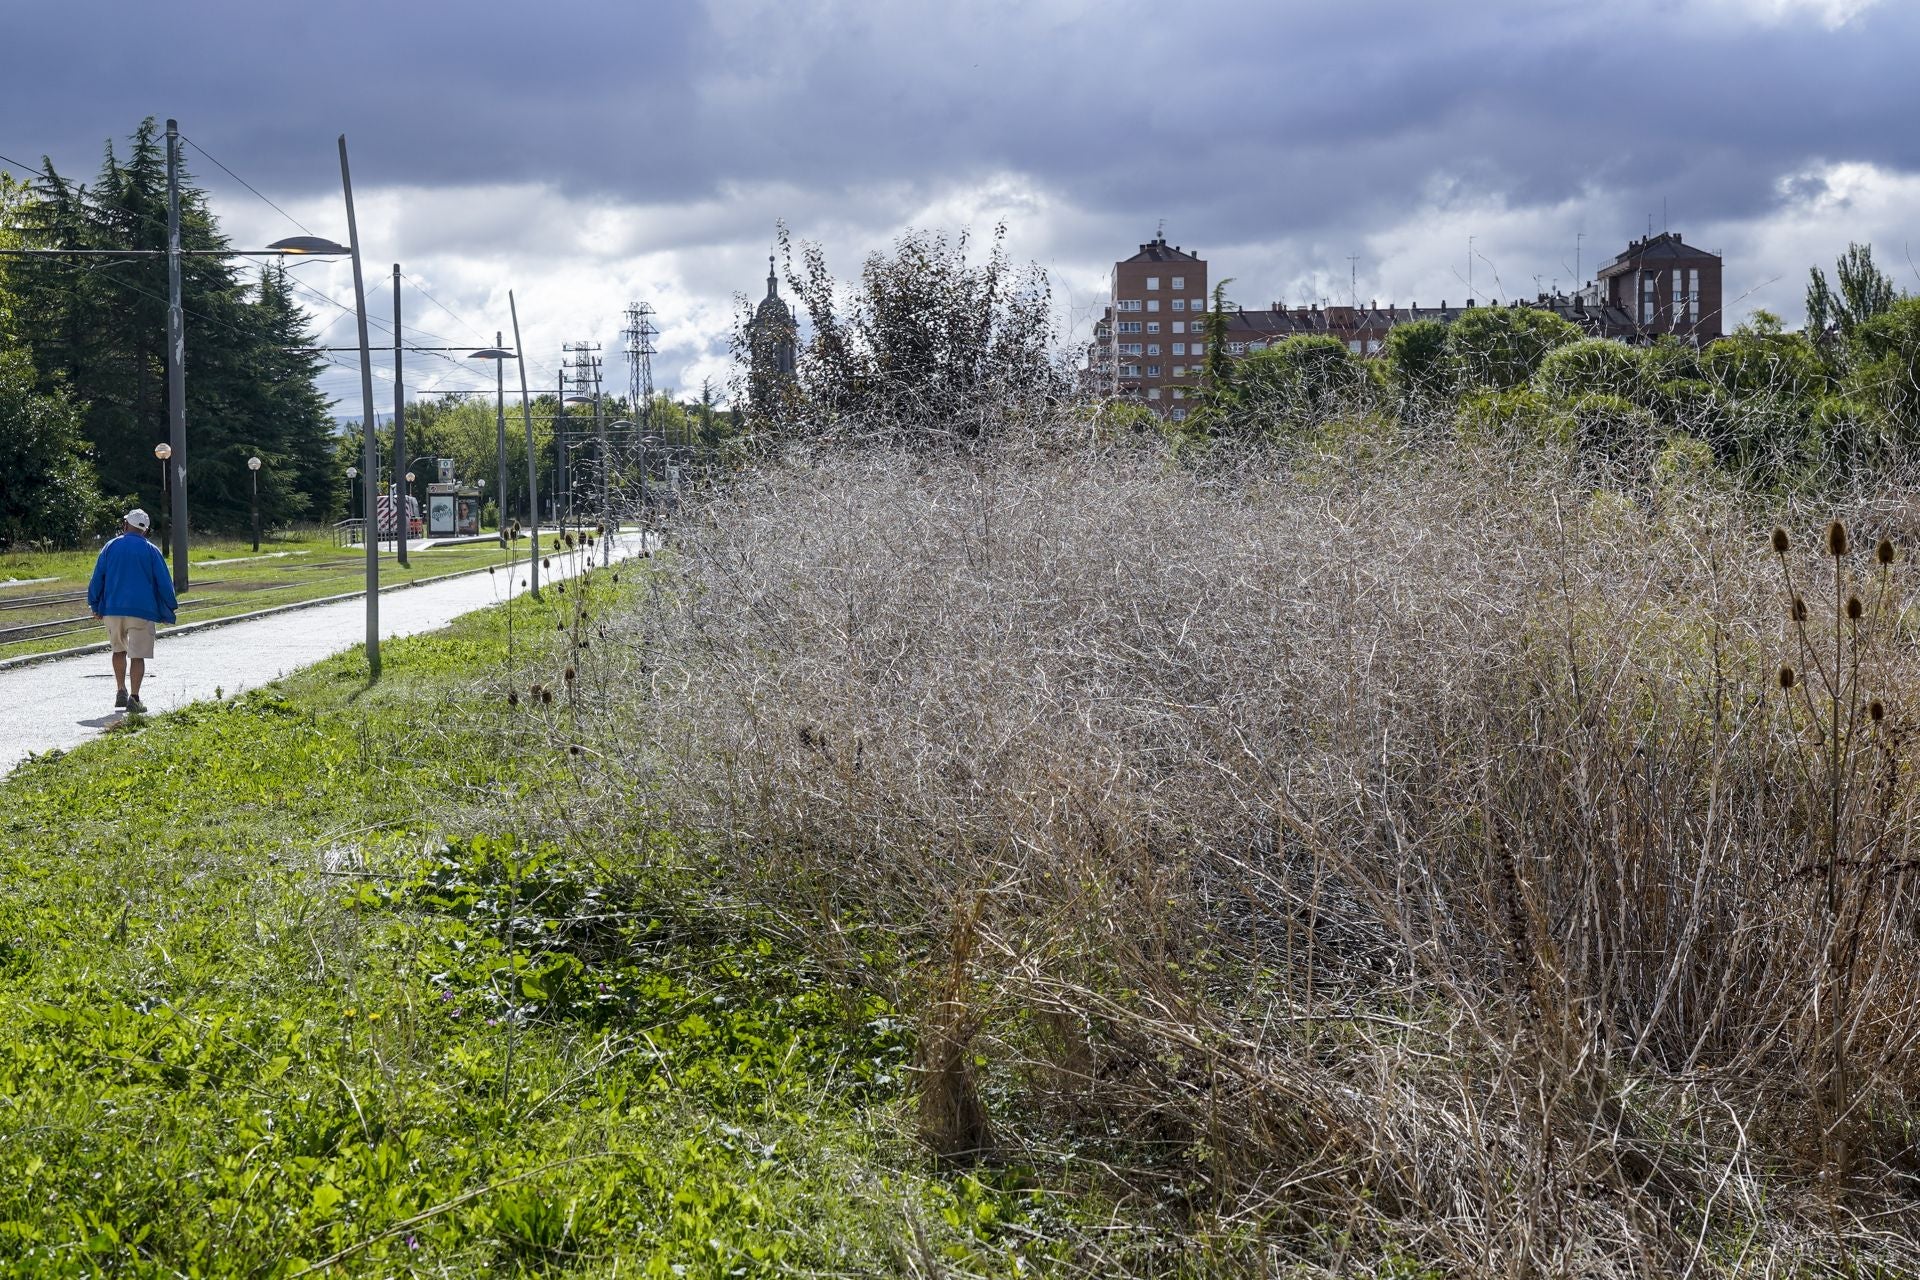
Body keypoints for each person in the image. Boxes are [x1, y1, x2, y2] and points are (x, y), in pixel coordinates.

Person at [87, 508, 177, 714]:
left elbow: (98, 577)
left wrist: (95, 604)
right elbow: (164, 582)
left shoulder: (110, 546)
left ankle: (121, 690)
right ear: (145, 530)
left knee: (118, 650)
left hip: (113, 609)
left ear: (126, 524)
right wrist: (169, 607)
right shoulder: (151, 550)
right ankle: (134, 698)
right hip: (142, 611)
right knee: (138, 655)